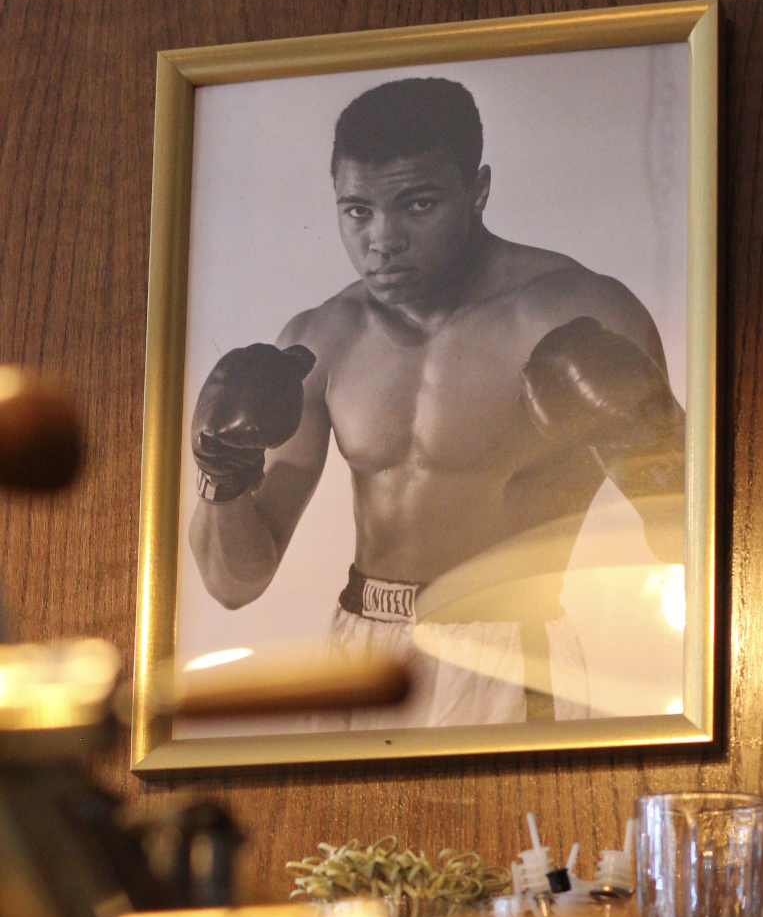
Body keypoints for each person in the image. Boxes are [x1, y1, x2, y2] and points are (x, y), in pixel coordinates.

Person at [189, 77, 685, 728]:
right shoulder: (319, 339)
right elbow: (235, 586)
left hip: (509, 652)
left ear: (477, 190)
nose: (382, 239)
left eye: (417, 205)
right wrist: (223, 479)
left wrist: (656, 443)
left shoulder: (581, 309)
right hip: (359, 651)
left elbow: (687, 544)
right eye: (357, 210)